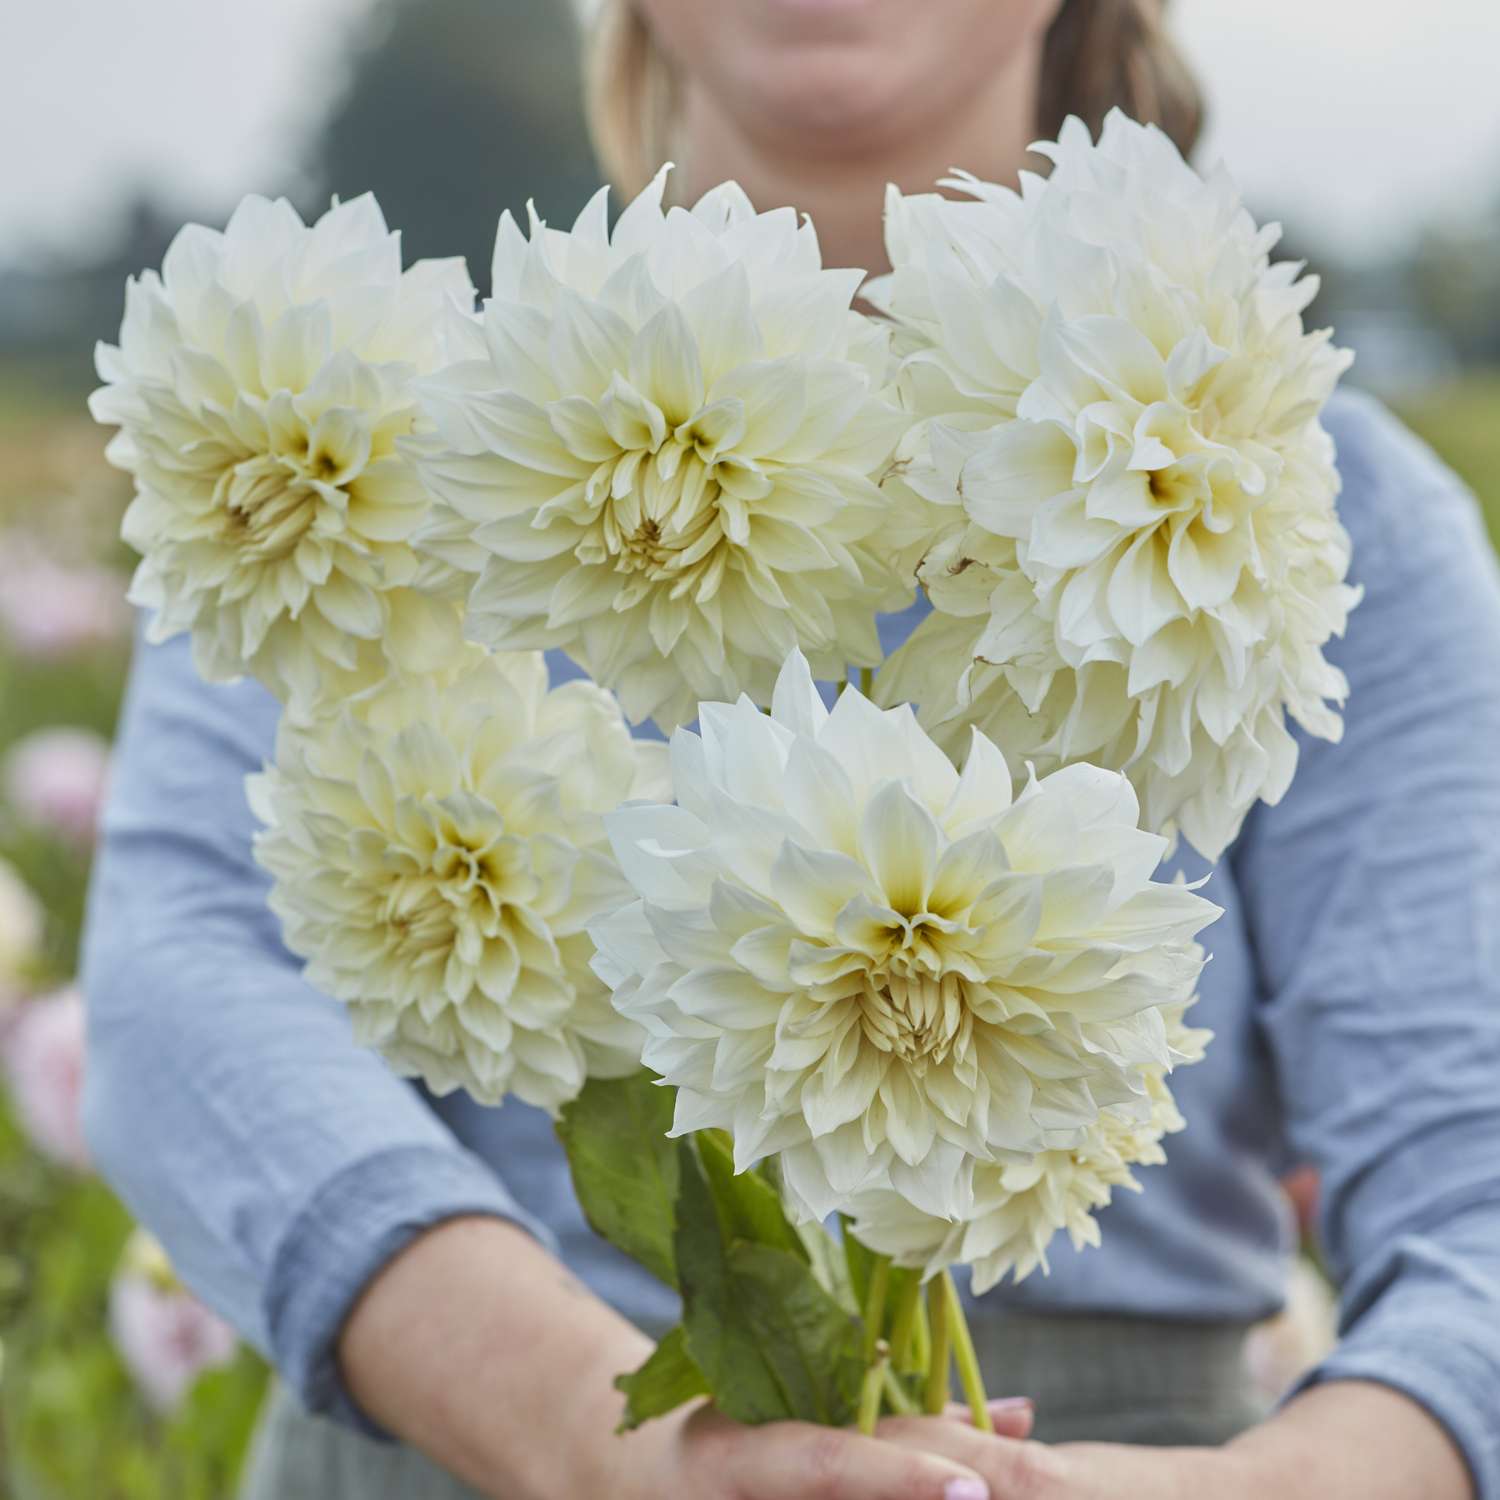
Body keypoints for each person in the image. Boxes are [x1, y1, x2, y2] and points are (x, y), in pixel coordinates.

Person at [80, 1, 1500, 1497]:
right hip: (475, 1430)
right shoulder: (359, 422)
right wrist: (596, 1440)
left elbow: (1476, 1176)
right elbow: (187, 975)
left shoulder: (1316, 502)